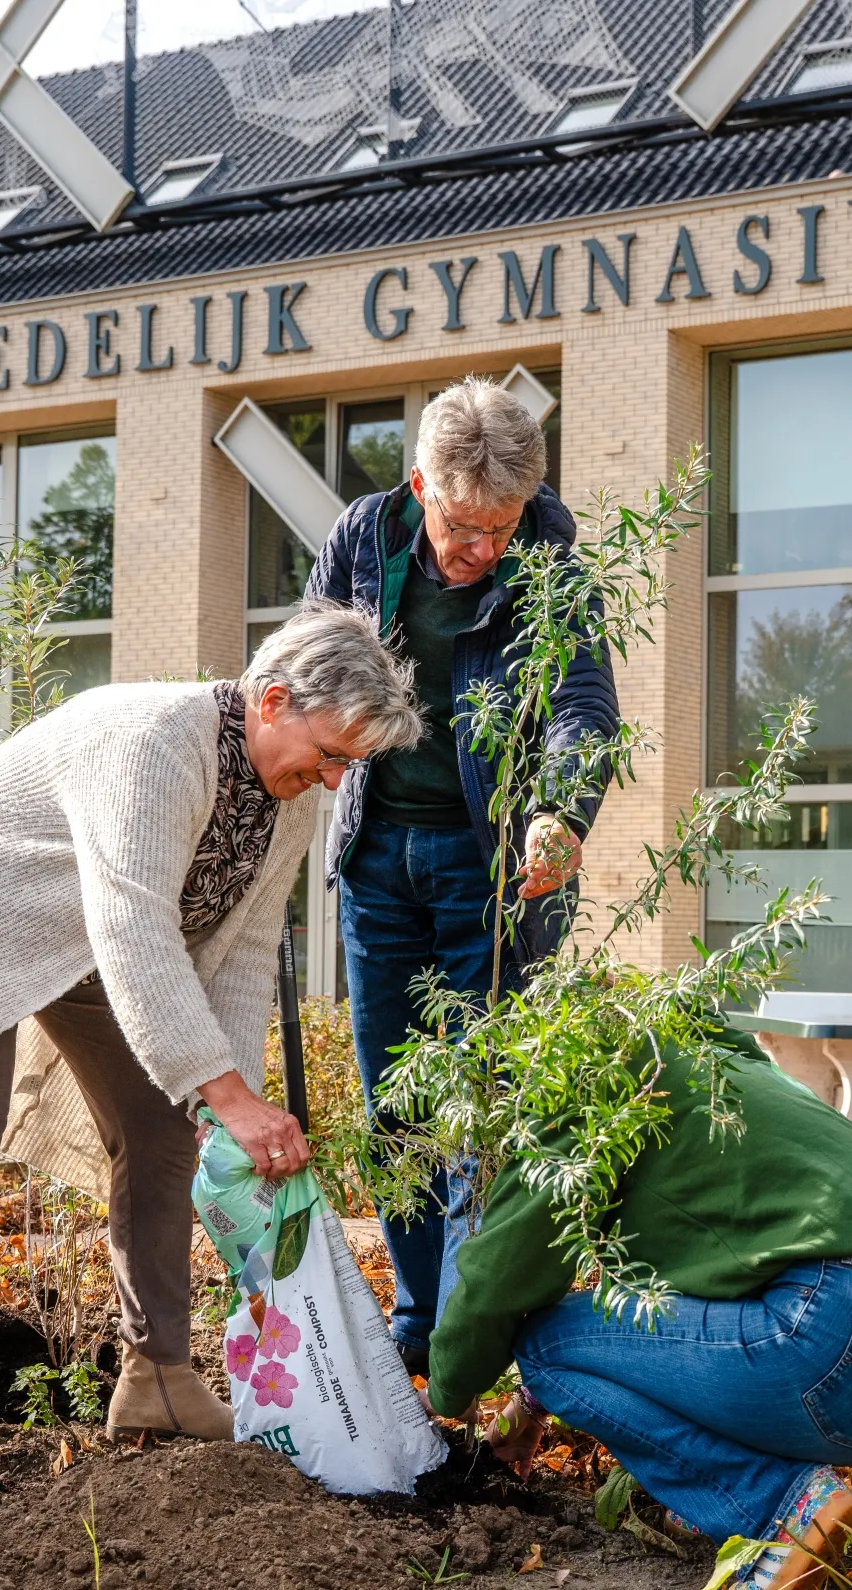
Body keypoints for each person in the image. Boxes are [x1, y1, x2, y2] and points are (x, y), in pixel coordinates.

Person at [0, 606, 424, 1520]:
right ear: (276, 699)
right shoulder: (155, 742)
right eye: (329, 754)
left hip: (84, 937)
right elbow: (135, 928)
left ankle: (158, 1377)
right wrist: (224, 1090)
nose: (332, 779)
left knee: (169, 1129)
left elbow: (244, 954)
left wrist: (231, 1103)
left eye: (347, 767)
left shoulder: (290, 796)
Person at [423, 1028, 852, 1590]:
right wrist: (536, 1403)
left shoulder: (585, 1090)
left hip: (838, 1334)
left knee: (544, 1345)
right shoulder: (713, 1067)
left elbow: (503, 1275)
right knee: (581, 1339)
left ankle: (785, 1504)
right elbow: (682, 1308)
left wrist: (450, 1390)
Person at [306, 376, 619, 1375]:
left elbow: (581, 704)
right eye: (461, 526)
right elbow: (308, 659)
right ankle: (417, 1319)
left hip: (491, 869)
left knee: (485, 1100)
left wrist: (559, 815)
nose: (478, 550)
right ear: (419, 487)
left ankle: (470, 1330)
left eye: (499, 527)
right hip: (375, 858)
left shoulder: (552, 564)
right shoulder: (364, 537)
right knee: (394, 1098)